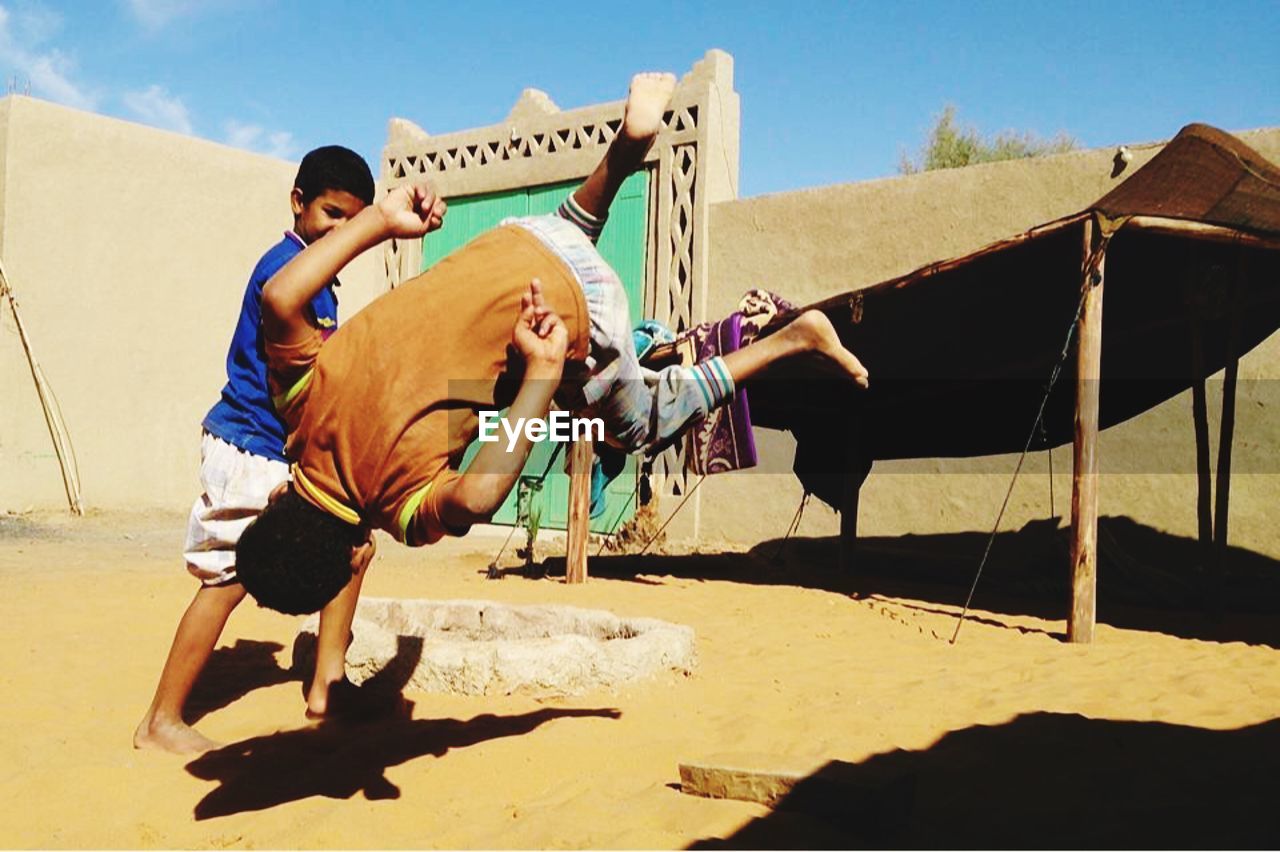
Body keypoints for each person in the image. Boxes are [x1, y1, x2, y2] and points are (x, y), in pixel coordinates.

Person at [236, 73, 869, 616]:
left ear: (353, 555)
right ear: (275, 499)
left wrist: (539, 376)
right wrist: (383, 220)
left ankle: (788, 342)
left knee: (640, 424)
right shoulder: (299, 400)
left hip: (580, 305)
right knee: (567, 230)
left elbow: (478, 496)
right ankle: (629, 146)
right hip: (516, 242)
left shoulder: (400, 506)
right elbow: (279, 300)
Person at [134, 146, 379, 754]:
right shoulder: (284, 272)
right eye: (331, 214)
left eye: (355, 221)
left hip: (273, 450)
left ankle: (327, 682)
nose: (341, 231)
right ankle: (160, 721)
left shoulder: (315, 278)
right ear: (297, 204)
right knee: (229, 577)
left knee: (354, 543)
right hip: (248, 447)